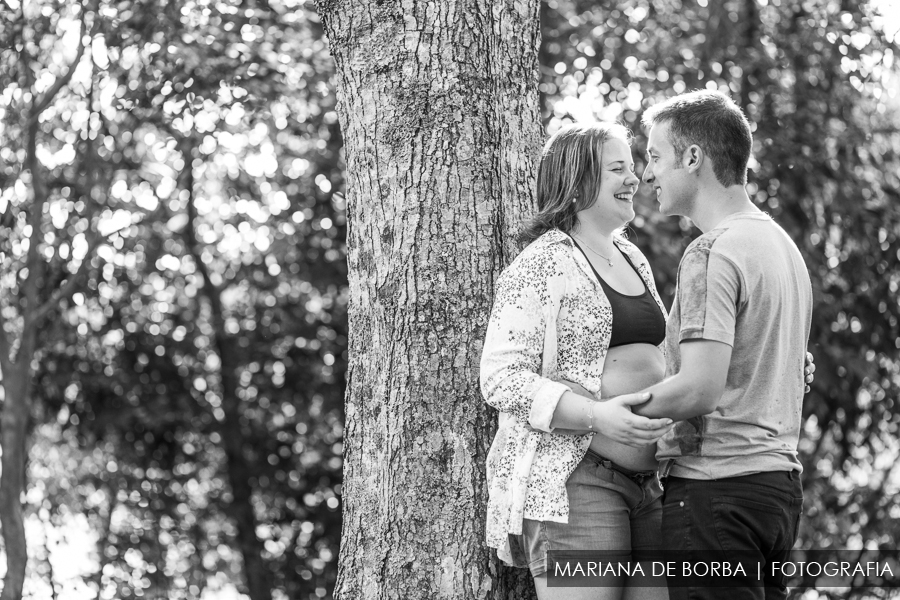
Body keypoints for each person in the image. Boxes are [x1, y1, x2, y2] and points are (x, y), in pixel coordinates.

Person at [480, 122, 675, 600]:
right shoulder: (540, 264)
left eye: (633, 167)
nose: (636, 179)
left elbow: (666, 356)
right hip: (575, 485)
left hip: (650, 486)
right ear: (577, 181)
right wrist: (596, 416)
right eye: (618, 169)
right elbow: (500, 377)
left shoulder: (633, 257)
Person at [632, 90, 813, 600]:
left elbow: (698, 391)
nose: (648, 175)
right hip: (775, 493)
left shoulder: (711, 252)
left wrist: (602, 412)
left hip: (717, 494)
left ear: (693, 158)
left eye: (655, 157)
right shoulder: (781, 247)